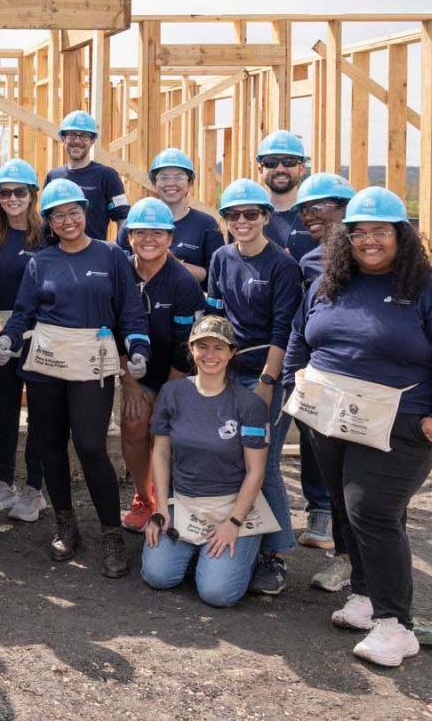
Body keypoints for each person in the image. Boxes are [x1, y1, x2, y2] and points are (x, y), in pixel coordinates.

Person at [285, 187, 432, 667]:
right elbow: (299, 334)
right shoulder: (329, 284)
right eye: (358, 232)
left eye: (380, 231)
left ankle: (396, 625)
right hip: (328, 418)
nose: (368, 240)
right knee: (347, 510)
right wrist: (295, 385)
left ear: (401, 236)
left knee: (372, 509)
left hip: (401, 425)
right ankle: (364, 596)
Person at [0, 178, 150, 577]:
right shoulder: (40, 262)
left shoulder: (111, 256)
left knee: (92, 445)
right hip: (46, 362)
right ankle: (66, 524)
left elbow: (129, 311)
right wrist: (8, 339)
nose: (67, 220)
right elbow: (24, 311)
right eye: (58, 215)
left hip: (91, 363)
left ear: (86, 213)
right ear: (49, 221)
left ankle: (111, 532)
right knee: (48, 444)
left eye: (74, 212)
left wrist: (138, 348)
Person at [206, 178, 303, 596]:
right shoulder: (222, 258)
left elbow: (285, 330)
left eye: (250, 214)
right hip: (230, 369)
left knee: (264, 466)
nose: (242, 221)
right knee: (234, 460)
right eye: (233, 215)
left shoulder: (282, 266)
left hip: (264, 375)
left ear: (266, 216)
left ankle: (277, 555)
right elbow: (213, 315)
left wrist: (267, 381)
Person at [139, 315, 270, 608]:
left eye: (218, 347)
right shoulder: (173, 393)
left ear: (232, 352)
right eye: (202, 346)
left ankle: (241, 554)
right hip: (186, 502)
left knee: (217, 593)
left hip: (231, 506)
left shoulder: (249, 405)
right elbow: (160, 452)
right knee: (157, 575)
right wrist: (161, 509)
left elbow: (256, 470)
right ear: (191, 349)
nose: (210, 355)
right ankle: (198, 554)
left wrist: (234, 522)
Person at [117, 197, 206, 533]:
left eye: (158, 233)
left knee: (162, 432)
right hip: (133, 372)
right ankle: (143, 496)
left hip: (175, 375)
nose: (148, 239)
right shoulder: (120, 272)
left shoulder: (183, 282)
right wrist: (131, 386)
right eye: (140, 232)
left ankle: (166, 498)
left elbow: (187, 347)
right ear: (129, 237)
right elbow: (111, 331)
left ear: (170, 238)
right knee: (133, 425)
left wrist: (165, 396)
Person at [288, 172, 357, 572]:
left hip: (365, 386)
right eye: (303, 210)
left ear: (345, 208)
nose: (309, 216)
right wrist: (295, 379)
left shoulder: (378, 256)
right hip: (321, 383)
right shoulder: (310, 262)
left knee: (365, 485)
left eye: (319, 207)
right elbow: (302, 326)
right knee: (335, 476)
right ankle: (346, 558)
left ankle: (364, 567)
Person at [0, 159, 47, 522]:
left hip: (41, 335)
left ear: (33, 195)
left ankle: (35, 487)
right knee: (0, 412)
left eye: (20, 192)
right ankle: (3, 480)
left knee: (40, 413)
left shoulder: (48, 236)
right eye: (5, 193)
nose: (13, 198)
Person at [115, 148, 223, 284]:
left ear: (190, 184)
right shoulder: (135, 220)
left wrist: (167, 261)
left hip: (187, 301)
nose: (171, 183)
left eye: (178, 177)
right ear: (154, 183)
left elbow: (215, 276)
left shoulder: (206, 225)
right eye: (164, 177)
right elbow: (118, 267)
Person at [43, 110, 129, 241]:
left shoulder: (107, 176)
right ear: (62, 138)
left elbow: (123, 219)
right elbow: (46, 222)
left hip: (95, 258)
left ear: (93, 140)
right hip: (58, 257)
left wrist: (118, 252)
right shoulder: (53, 177)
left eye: (84, 136)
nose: (77, 141)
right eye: (72, 135)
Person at [257, 130, 316, 260]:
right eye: (271, 162)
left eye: (289, 162)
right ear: (261, 170)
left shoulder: (316, 217)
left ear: (301, 169)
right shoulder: (246, 218)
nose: (280, 169)